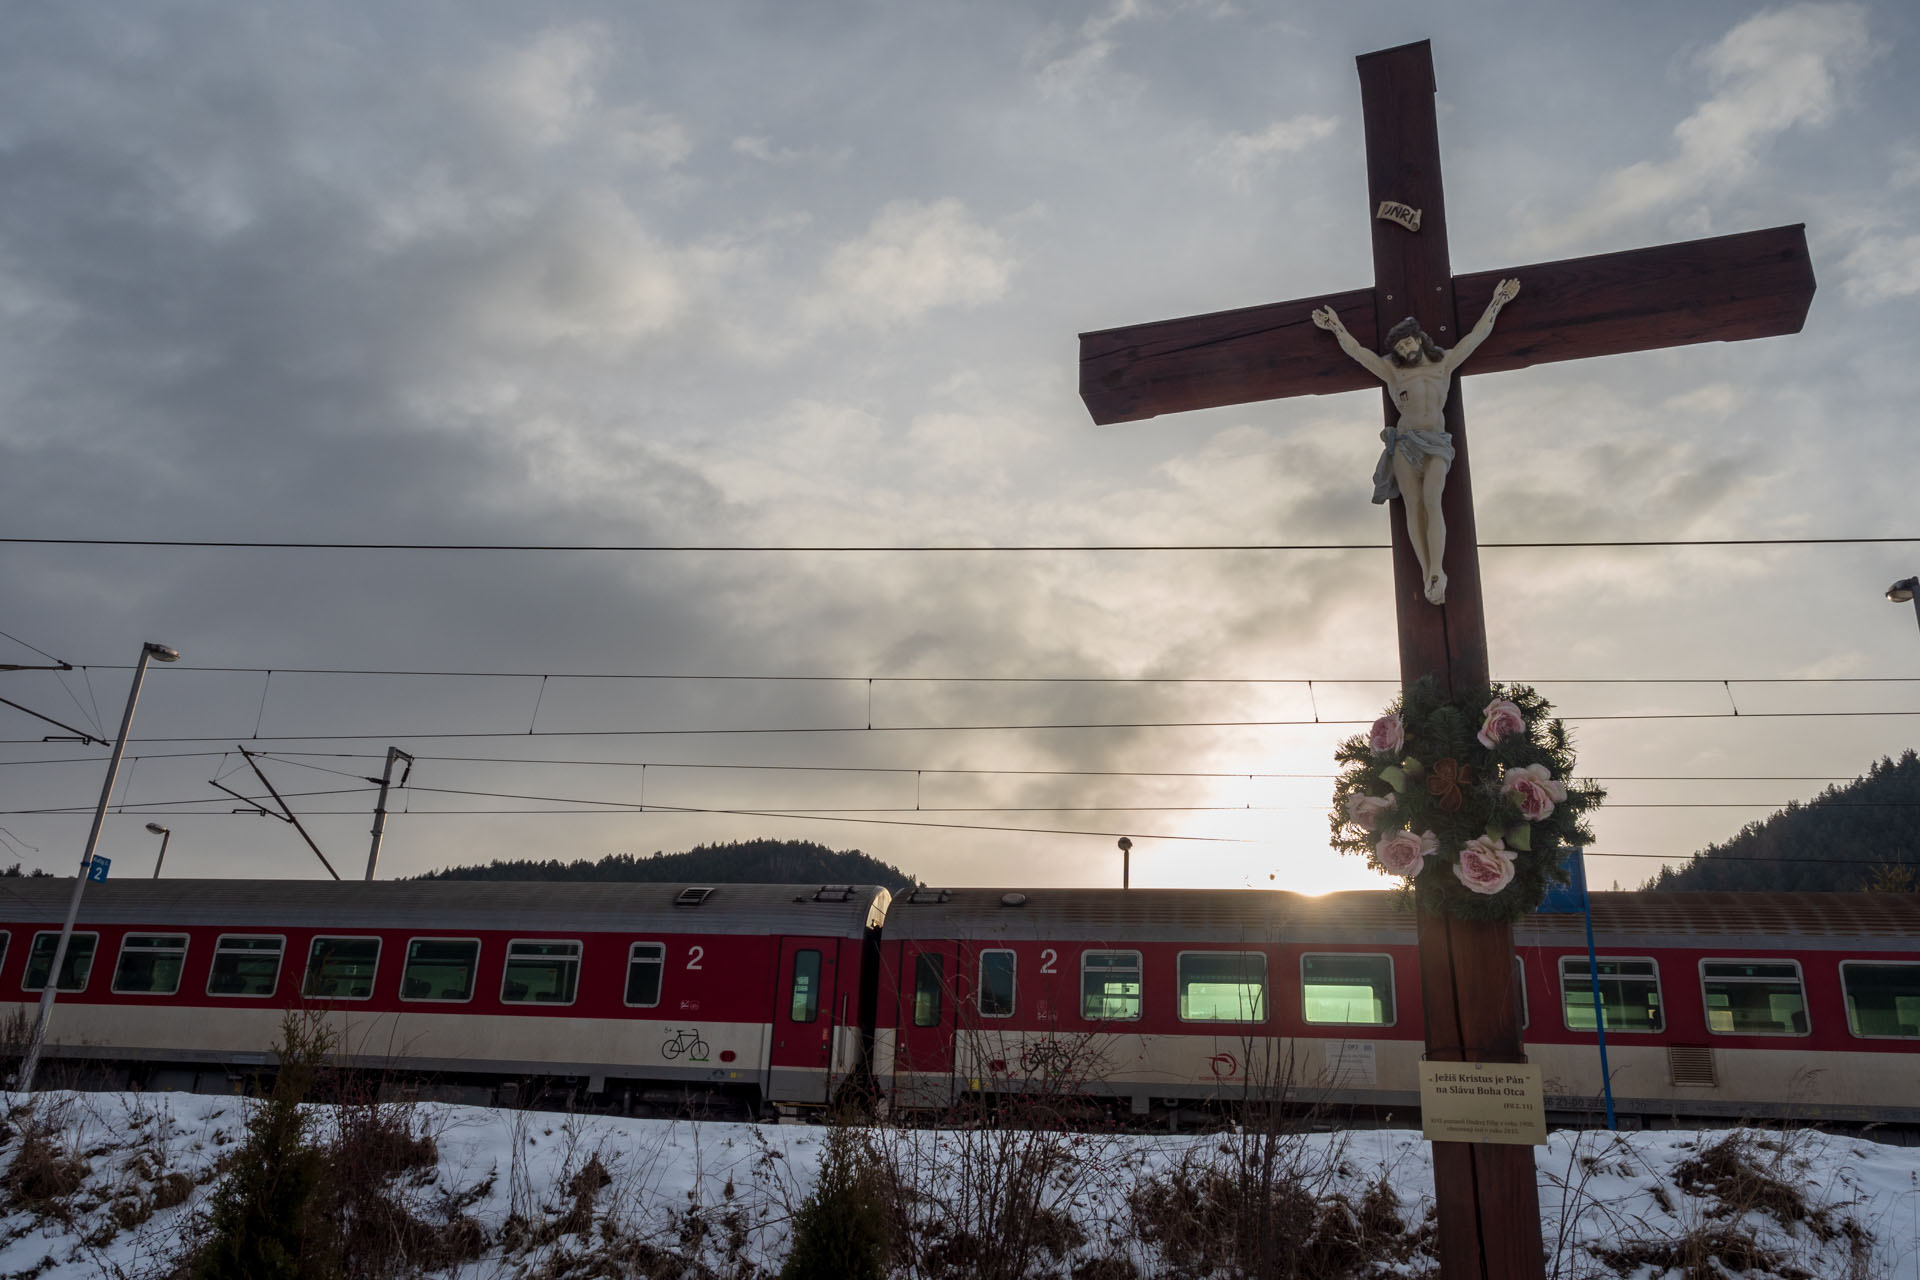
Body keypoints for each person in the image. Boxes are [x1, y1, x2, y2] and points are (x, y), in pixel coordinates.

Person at [1311, 278, 1520, 604]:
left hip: (1436, 441)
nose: (1407, 350)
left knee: (1432, 499)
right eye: (1401, 349)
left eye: (1409, 343)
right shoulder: (1393, 372)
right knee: (1414, 506)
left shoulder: (1444, 362)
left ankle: (1438, 568)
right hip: (1406, 442)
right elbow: (1358, 352)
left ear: (1419, 340)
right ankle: (1428, 574)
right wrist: (1336, 326)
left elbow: (1478, 335)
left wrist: (1498, 301)